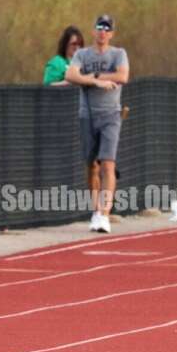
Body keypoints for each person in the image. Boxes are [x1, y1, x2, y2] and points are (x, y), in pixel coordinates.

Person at [65, 14, 129, 233]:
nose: (103, 31)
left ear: (111, 33)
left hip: (110, 115)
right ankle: (95, 210)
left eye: (107, 28)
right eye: (99, 27)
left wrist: (96, 75)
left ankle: (105, 214)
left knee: (108, 164)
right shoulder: (82, 54)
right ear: (93, 31)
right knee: (92, 165)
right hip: (87, 114)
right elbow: (71, 74)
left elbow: (122, 76)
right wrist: (95, 81)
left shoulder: (118, 53)